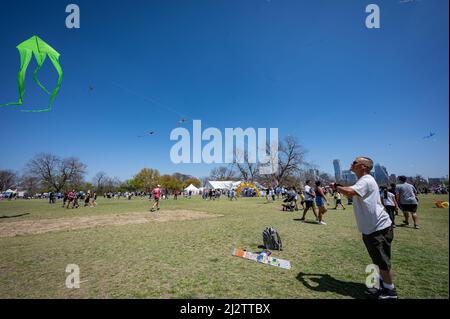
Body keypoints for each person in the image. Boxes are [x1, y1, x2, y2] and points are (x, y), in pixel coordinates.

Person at [332, 157, 397, 299]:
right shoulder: (363, 180)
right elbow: (351, 190)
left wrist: (336, 187)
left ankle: (390, 292)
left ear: (364, 166)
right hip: (371, 228)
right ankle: (380, 284)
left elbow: (349, 192)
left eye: (355, 162)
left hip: (377, 228)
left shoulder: (366, 180)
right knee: (377, 259)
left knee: (382, 261)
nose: (351, 164)